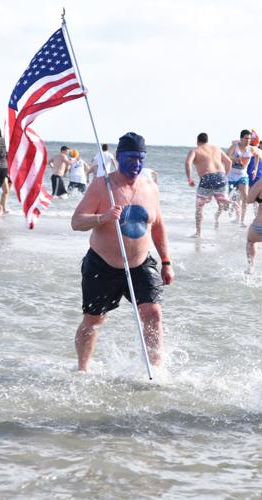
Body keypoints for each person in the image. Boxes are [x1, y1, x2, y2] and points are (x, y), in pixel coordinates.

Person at [70, 132, 174, 371]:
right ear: (118, 158)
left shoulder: (150, 187)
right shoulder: (101, 186)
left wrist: (166, 261)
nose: (136, 164)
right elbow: (76, 222)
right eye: (130, 158)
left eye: (140, 158)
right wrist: (102, 217)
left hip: (140, 263)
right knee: (94, 321)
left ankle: (154, 370)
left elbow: (157, 225)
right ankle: (82, 369)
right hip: (102, 264)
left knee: (153, 313)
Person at [184, 132, 232, 237]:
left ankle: (198, 233)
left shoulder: (195, 150)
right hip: (221, 176)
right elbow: (229, 162)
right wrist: (224, 176)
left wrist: (189, 179)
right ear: (207, 141)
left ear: (197, 141)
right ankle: (230, 203)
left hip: (207, 178)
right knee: (223, 200)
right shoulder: (216, 148)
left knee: (199, 206)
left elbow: (188, 163)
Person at [226, 129, 258, 226]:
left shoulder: (251, 149)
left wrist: (255, 169)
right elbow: (227, 155)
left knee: (245, 197)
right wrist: (235, 159)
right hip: (231, 176)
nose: (248, 140)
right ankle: (234, 215)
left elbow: (257, 156)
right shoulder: (235, 146)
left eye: (249, 138)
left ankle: (242, 220)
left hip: (242, 175)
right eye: (246, 138)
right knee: (229, 198)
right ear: (241, 138)